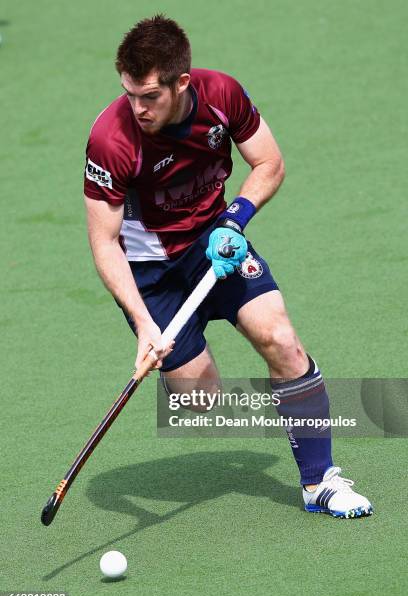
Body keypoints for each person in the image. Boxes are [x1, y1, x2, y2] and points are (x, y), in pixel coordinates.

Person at [84, 14, 372, 518]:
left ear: (182, 83)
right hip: (149, 270)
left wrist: (235, 221)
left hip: (215, 243)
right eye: (129, 94)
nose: (137, 108)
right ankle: (188, 363)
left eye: (149, 96)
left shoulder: (222, 96)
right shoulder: (112, 139)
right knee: (200, 402)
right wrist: (145, 326)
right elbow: (105, 244)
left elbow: (270, 163)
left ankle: (320, 482)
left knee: (280, 338)